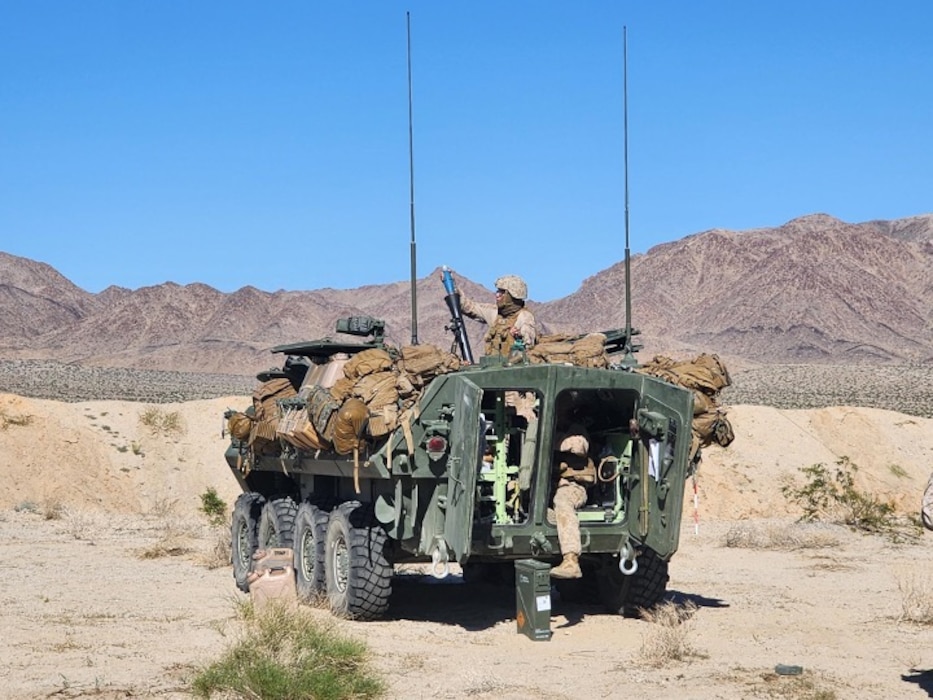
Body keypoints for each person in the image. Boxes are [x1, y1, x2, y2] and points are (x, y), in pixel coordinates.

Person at [550, 427, 596, 579]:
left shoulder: (576, 429)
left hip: (573, 487)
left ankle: (571, 561)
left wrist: (551, 439)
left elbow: (580, 446)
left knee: (562, 501)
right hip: (548, 487)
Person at [457, 273, 537, 357]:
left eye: (502, 292)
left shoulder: (524, 317)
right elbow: (470, 307)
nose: (497, 295)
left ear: (511, 295)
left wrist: (518, 337)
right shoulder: (495, 313)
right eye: (498, 291)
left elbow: (529, 350)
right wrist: (452, 288)